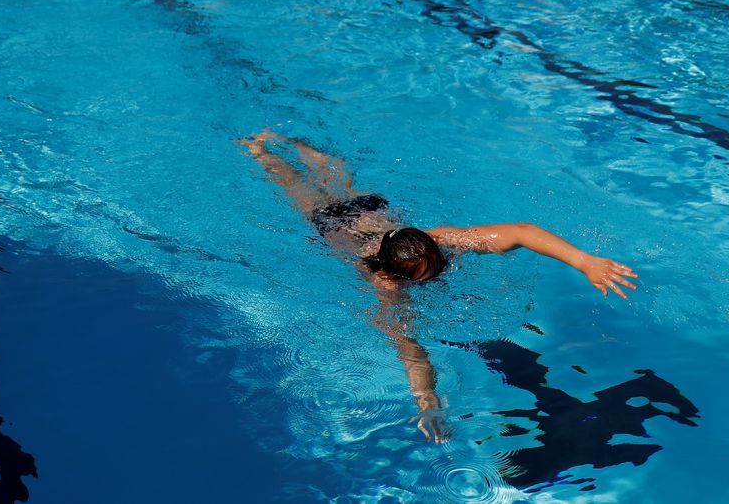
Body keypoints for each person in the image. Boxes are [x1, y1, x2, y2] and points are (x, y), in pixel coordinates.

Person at [241, 130, 638, 442]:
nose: (440, 274)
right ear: (398, 275)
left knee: (336, 172)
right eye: (426, 276)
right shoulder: (385, 284)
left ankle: (291, 137)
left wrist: (585, 261)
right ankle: (261, 151)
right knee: (298, 187)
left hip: (368, 209)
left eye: (439, 264)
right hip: (334, 225)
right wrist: (427, 398)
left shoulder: (442, 237)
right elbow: (408, 345)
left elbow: (520, 232)